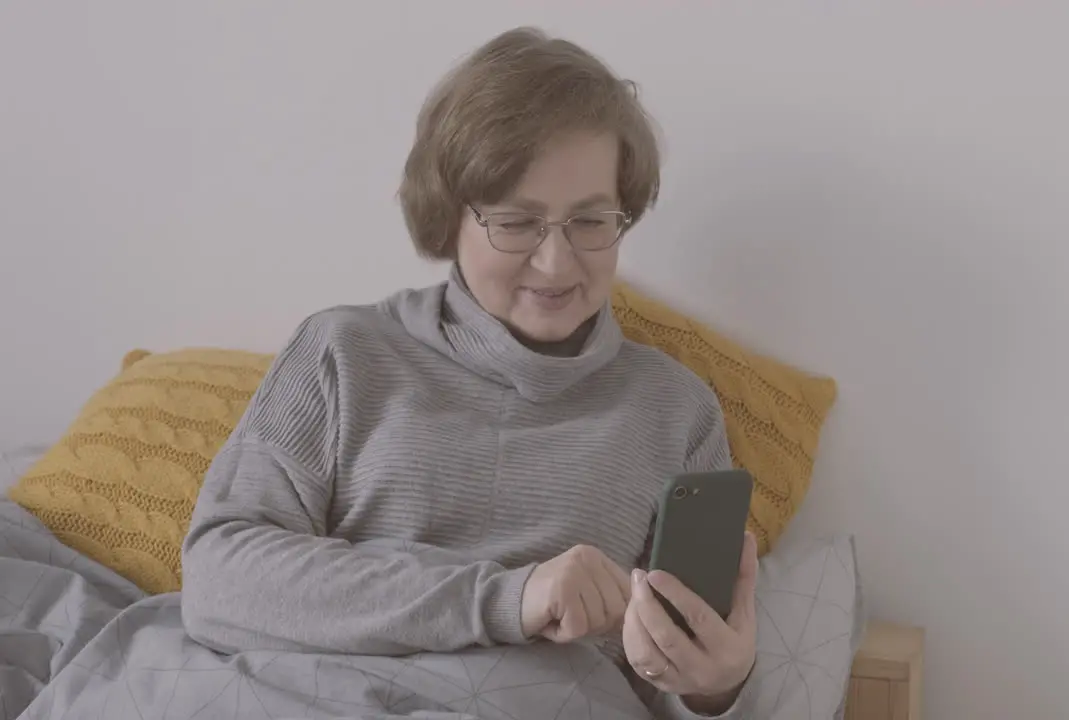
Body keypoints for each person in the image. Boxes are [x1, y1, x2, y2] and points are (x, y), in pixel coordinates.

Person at [180, 26, 758, 718]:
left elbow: (679, 676)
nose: (557, 263)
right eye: (516, 223)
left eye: (590, 220)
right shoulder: (344, 352)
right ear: (447, 217)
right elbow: (220, 581)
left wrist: (716, 682)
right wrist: (510, 598)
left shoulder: (676, 411)